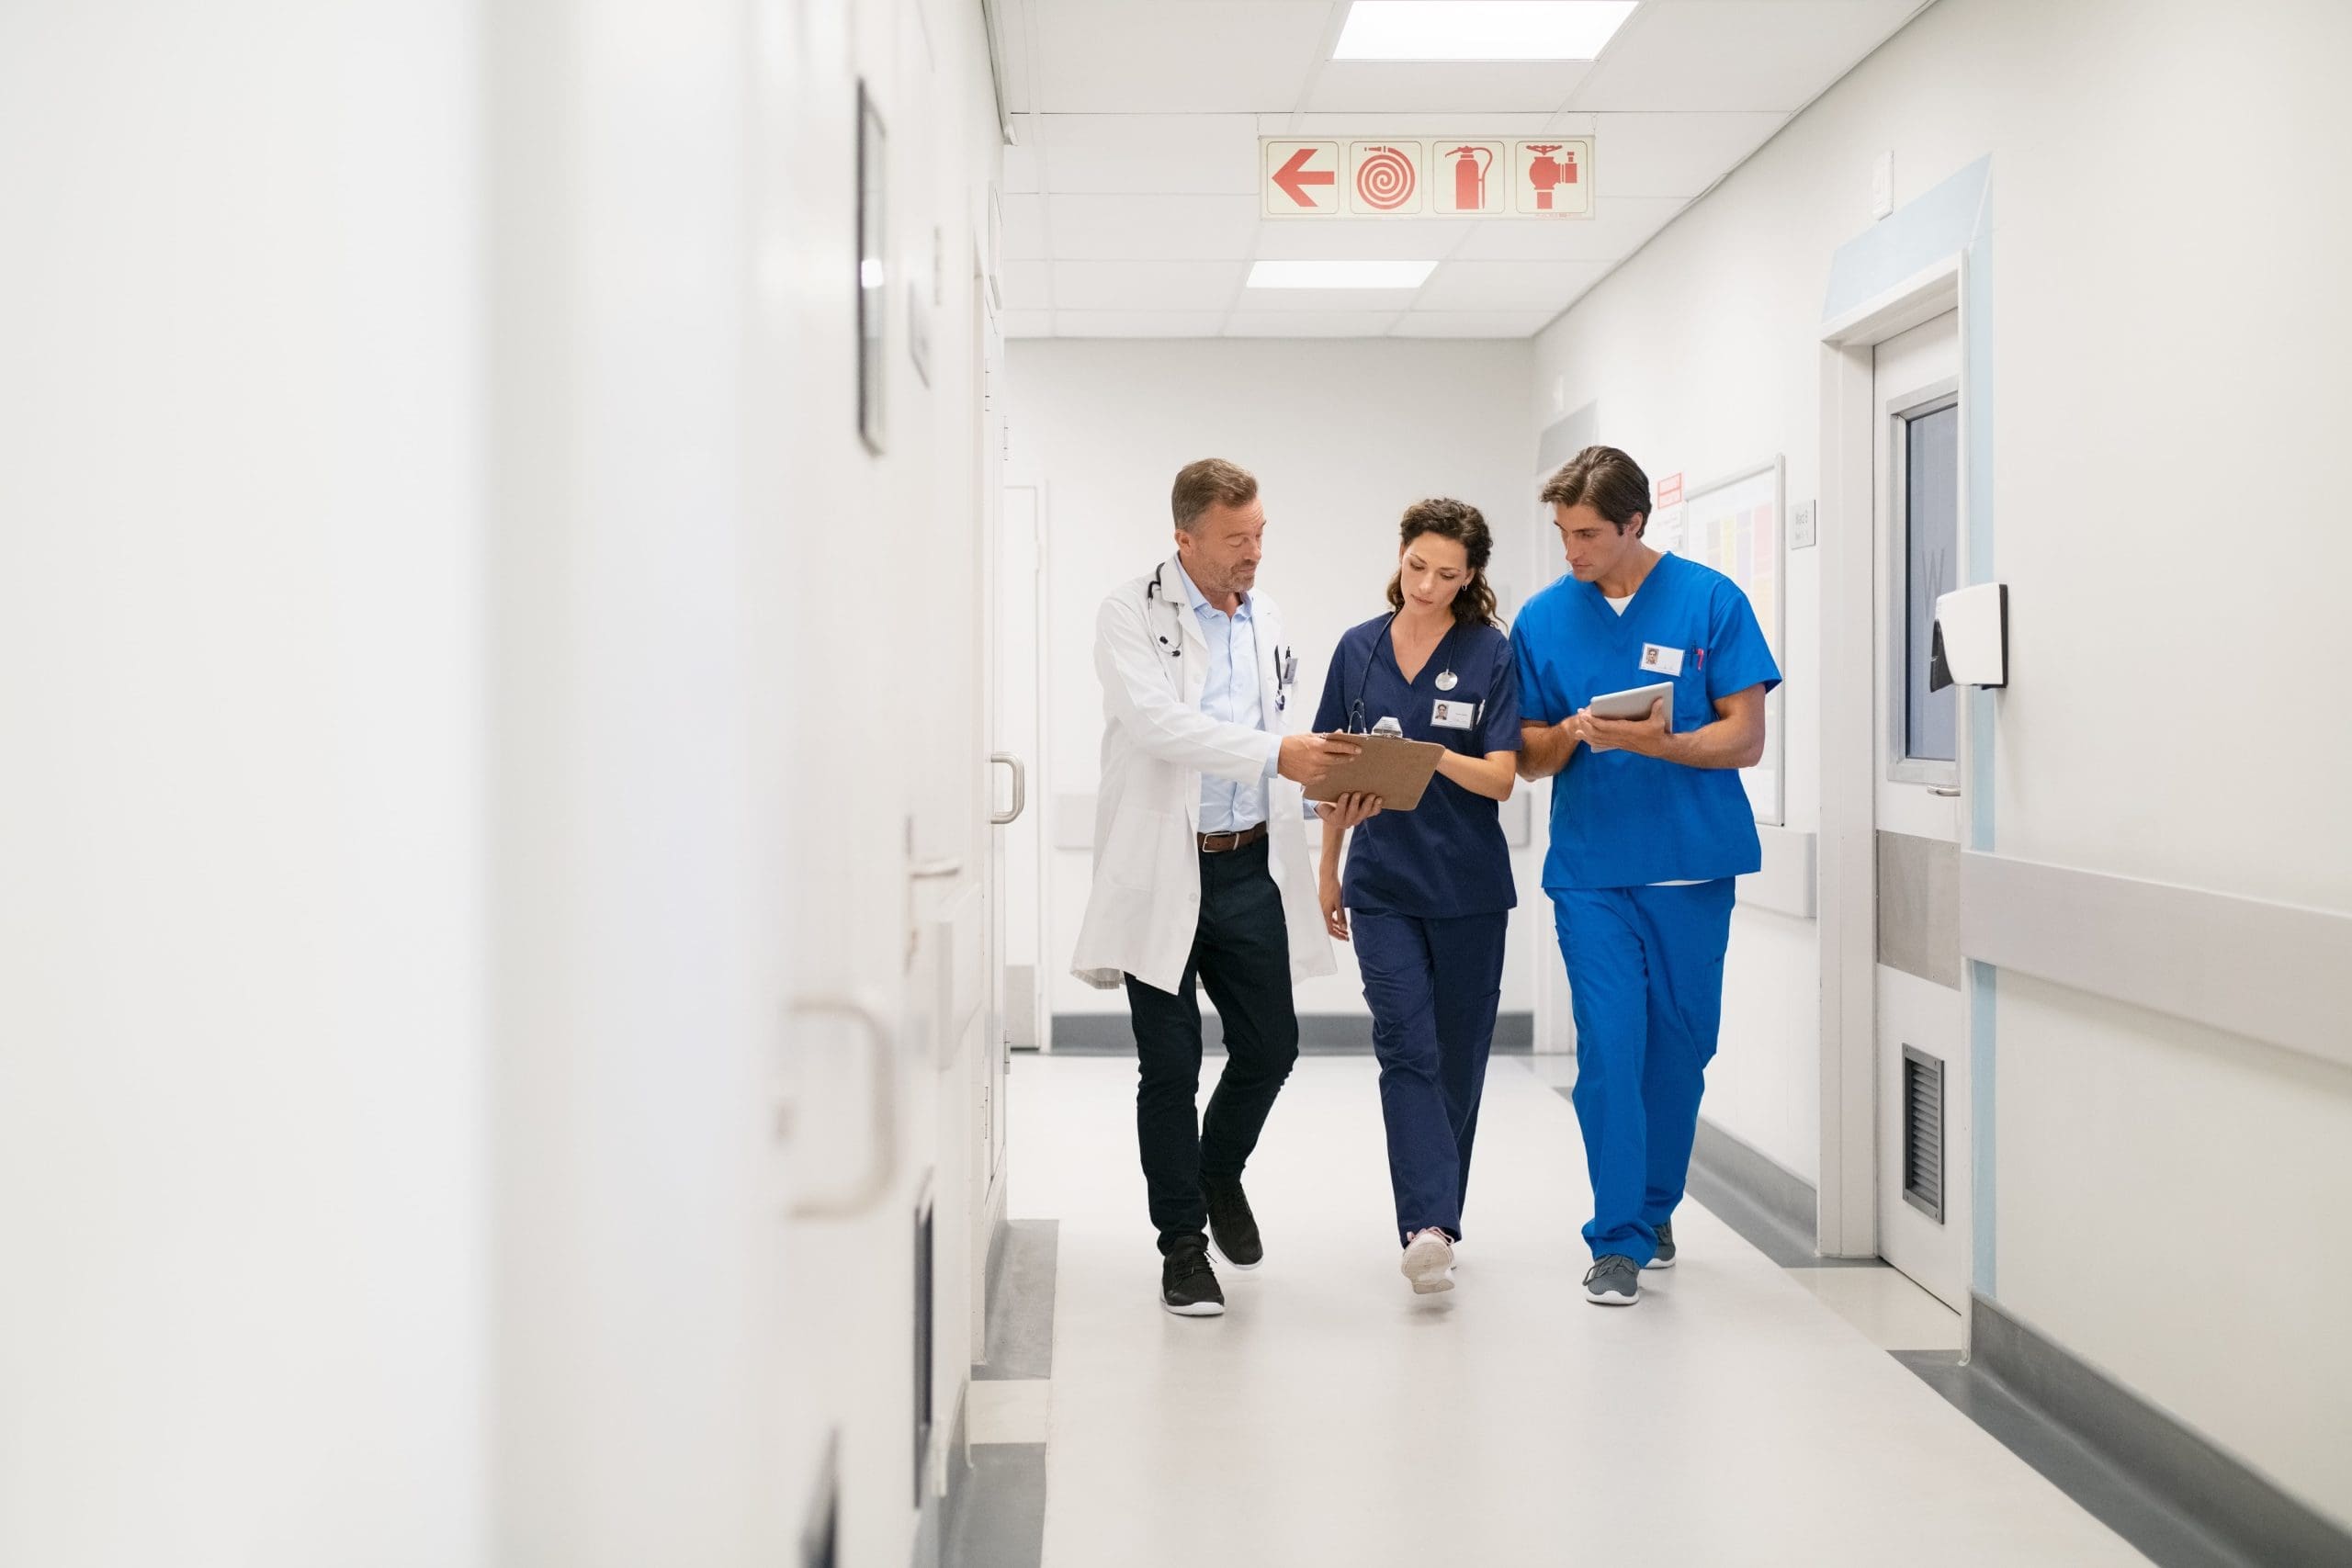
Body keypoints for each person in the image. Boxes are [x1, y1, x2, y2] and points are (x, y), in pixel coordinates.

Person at [1072, 457, 1360, 1318]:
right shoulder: (1128, 611)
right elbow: (1160, 725)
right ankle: (1182, 1246)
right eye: (1237, 539)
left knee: (1272, 1048)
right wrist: (1282, 755)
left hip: (1246, 865)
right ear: (1185, 538)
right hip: (1166, 867)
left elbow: (1267, 726)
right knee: (1171, 1065)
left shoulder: (1263, 615)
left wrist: (1323, 774)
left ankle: (1216, 1170)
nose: (1254, 552)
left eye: (1261, 534)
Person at [1510, 446, 1781, 1307]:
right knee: (1610, 1047)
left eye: (1587, 532)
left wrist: (1656, 741)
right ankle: (1617, 1237)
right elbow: (1527, 754)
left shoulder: (1711, 600)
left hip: (1692, 871)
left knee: (1681, 1049)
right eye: (1562, 532)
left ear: (1634, 523)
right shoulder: (1544, 619)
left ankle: (1656, 1205)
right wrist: (1576, 732)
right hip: (1591, 872)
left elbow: (1745, 737)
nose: (1572, 550)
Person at [1311, 498, 1521, 1297]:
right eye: (1416, 566)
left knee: (1458, 1059)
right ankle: (1426, 1225)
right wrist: (1328, 867)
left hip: (1468, 887)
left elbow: (1500, 775)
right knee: (1405, 1044)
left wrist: (1428, 757)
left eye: (1447, 574)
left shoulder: (1487, 653)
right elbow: (1331, 768)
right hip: (1383, 885)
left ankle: (1438, 1213)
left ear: (1471, 579)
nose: (1427, 585)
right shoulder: (1358, 649)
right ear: (1399, 554)